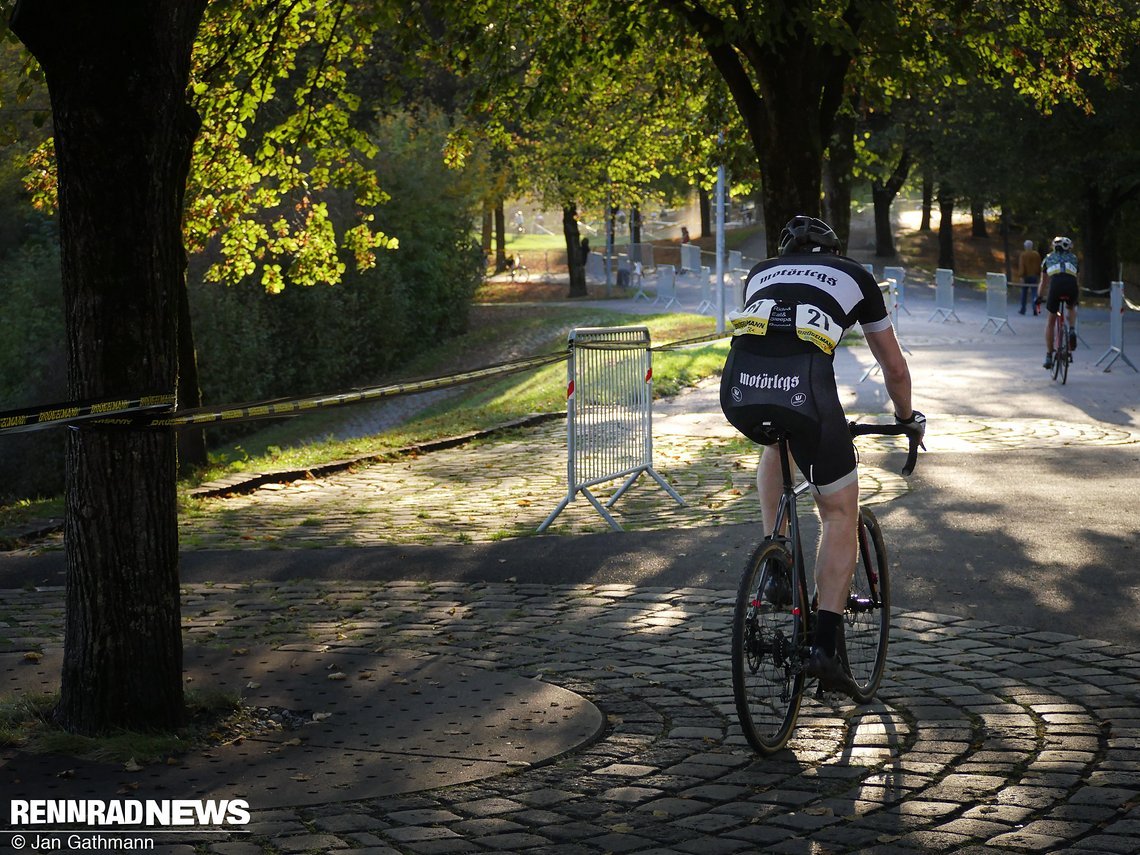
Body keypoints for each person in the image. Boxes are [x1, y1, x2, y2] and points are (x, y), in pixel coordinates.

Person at [719, 215, 923, 696]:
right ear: (833, 251)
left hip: (741, 391)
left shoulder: (761, 271)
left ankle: (776, 559)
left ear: (785, 248)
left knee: (776, 442)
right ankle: (826, 648)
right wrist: (907, 416)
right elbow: (893, 366)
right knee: (838, 513)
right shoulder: (855, 275)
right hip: (806, 393)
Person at [1038, 235, 1079, 369]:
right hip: (1071, 285)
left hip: (1056, 285)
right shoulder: (1074, 258)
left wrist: (1039, 297)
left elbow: (1043, 282)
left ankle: (1049, 355)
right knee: (1071, 307)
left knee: (1051, 321)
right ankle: (1072, 329)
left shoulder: (1048, 258)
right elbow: (1076, 278)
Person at [1016, 239, 1041, 315]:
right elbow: (1039, 266)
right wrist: (1039, 275)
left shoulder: (1023, 255)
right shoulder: (1036, 255)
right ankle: (1035, 309)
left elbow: (1022, 266)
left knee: (1024, 293)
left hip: (1026, 276)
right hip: (1034, 276)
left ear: (1025, 246)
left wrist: (1021, 276)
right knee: (1034, 293)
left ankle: (1023, 309)